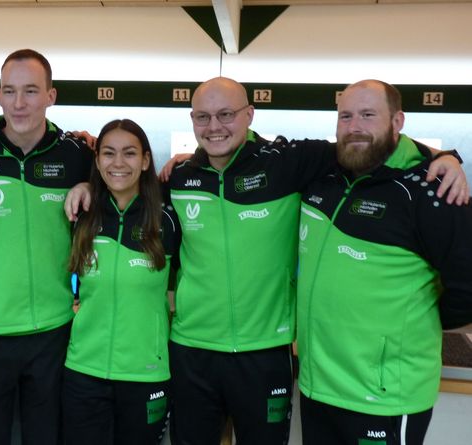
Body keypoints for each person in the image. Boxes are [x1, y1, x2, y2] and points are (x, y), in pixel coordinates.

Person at [66, 77, 467, 445]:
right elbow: (124, 182)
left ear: (249, 115)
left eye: (226, 115)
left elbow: (366, 145)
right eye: (203, 117)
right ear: (191, 120)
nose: (215, 126)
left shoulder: (285, 163)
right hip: (192, 352)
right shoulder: (181, 178)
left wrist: (445, 156)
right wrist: (86, 182)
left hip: (266, 354)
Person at [296, 79, 472, 445]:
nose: (354, 126)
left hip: (384, 396)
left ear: (398, 121)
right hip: (317, 388)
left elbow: (467, 288)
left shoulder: (432, 190)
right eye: (345, 116)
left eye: (368, 115)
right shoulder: (323, 175)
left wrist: (415, 322)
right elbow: (253, 150)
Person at [0, 49, 93, 445]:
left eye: (31, 91)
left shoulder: (76, 155)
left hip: (55, 330)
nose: (19, 103)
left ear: (51, 96)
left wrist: (89, 184)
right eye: (10, 91)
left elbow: (126, 185)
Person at [62, 119, 180, 445]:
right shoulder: (83, 213)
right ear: (97, 160)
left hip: (146, 373)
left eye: (129, 154)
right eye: (108, 153)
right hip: (83, 371)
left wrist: (188, 158)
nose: (118, 163)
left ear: (144, 160)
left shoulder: (168, 217)